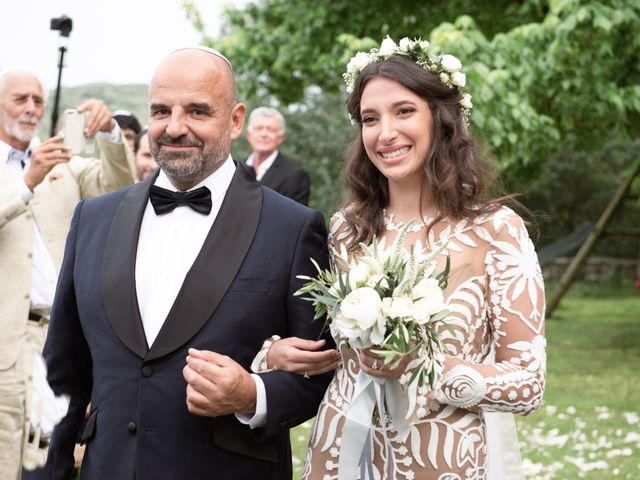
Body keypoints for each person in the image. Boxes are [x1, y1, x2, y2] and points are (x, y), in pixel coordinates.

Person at [34, 46, 333, 480]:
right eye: (160, 111)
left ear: (235, 120)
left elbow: (320, 372)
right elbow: (61, 374)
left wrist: (252, 394)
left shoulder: (293, 227)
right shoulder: (93, 218)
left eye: (197, 111)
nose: (174, 128)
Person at [255, 37, 546, 479]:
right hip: (339, 455)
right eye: (370, 119)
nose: (385, 133)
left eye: (404, 111)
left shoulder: (496, 230)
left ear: (440, 118)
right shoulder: (346, 228)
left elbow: (528, 385)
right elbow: (329, 350)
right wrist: (274, 356)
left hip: (444, 461)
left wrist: (423, 366)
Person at [0, 67, 136, 478]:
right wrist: (28, 179)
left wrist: (111, 132)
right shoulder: (36, 169)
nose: (31, 108)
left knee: (50, 458)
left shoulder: (67, 166)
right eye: (19, 98)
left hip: (60, 339)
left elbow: (118, 188)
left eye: (38, 100)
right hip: (6, 339)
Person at [245, 106, 311, 205]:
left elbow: (295, 218)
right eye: (259, 128)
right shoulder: (233, 168)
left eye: (271, 130)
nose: (264, 134)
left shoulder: (295, 176)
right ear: (248, 135)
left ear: (281, 138)